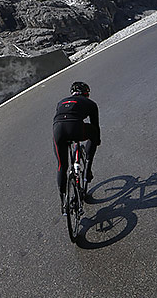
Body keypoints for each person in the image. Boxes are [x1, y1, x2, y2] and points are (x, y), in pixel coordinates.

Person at [53, 81, 101, 214]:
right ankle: (87, 171)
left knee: (62, 166)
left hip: (58, 130)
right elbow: (95, 126)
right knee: (93, 134)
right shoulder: (90, 104)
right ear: (86, 93)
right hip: (76, 128)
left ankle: (63, 201)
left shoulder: (61, 102)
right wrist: (97, 141)